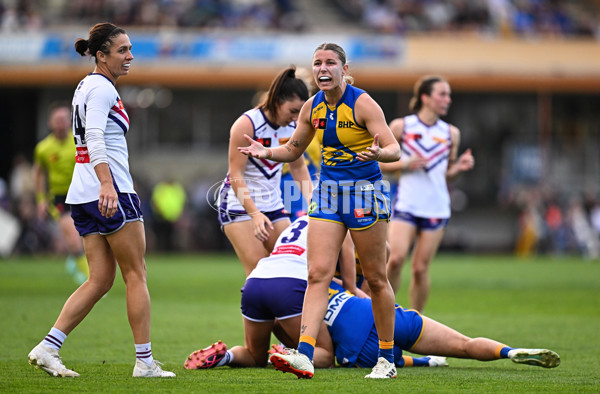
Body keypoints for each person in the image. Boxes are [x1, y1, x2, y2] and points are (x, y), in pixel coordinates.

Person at [239, 42, 401, 379]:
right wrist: (265, 152)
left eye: (330, 63)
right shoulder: (311, 107)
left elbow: (394, 149)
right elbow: (293, 149)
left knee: (375, 277)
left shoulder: (363, 102)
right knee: (317, 274)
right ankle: (306, 354)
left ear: (344, 68)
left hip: (365, 194)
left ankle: (386, 359)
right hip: (327, 195)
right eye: (317, 63)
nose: (323, 69)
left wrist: (378, 155)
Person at [27, 22, 174, 378]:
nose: (130, 56)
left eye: (130, 49)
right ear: (101, 55)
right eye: (122, 50)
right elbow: (94, 135)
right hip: (109, 192)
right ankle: (144, 362)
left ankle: (48, 346)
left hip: (82, 194)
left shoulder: (86, 86)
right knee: (136, 274)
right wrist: (107, 185)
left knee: (100, 279)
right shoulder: (102, 88)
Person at [183, 216, 436, 371]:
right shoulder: (339, 224)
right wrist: (373, 303)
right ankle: (286, 352)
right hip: (289, 286)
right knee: (324, 356)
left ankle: (226, 356)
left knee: (253, 355)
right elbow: (350, 284)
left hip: (255, 281)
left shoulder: (299, 221)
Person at [379, 75, 475, 312]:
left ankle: (416, 322)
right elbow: (378, 164)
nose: (448, 99)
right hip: (406, 204)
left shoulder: (451, 133)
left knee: (420, 269)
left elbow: (446, 173)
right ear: (425, 97)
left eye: (448, 94)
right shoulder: (401, 127)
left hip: (436, 207)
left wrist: (458, 169)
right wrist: (405, 164)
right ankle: (381, 314)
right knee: (395, 260)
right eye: (442, 94)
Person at [324, 280, 560, 370]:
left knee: (388, 358)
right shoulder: (330, 280)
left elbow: (325, 353)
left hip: (360, 346)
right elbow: (363, 295)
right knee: (464, 345)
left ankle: (423, 361)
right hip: (387, 317)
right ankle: (509, 352)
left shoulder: (296, 302)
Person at [217, 66, 313, 276]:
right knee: (258, 273)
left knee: (293, 267)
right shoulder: (247, 124)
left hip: (273, 204)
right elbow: (236, 175)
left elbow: (298, 168)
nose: (296, 118)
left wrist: (313, 202)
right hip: (239, 205)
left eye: (301, 112)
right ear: (278, 100)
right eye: (293, 110)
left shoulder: (294, 128)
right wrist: (255, 214)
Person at [33, 102, 89, 284]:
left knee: (86, 237)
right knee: (73, 239)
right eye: (57, 119)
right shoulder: (43, 148)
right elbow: (39, 175)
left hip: (82, 194)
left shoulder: (80, 141)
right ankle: (90, 280)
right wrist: (41, 199)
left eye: (65, 119)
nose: (62, 123)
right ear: (50, 122)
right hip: (60, 197)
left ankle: (74, 259)